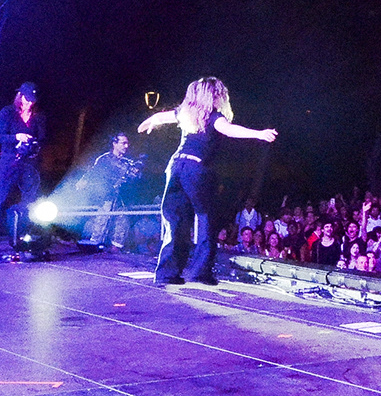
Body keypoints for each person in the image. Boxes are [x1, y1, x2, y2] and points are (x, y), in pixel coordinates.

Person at [138, 77, 277, 286]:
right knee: (206, 219)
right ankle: (199, 272)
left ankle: (167, 274)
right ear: (215, 96)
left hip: (175, 166)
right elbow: (229, 129)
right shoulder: (213, 116)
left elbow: (159, 117)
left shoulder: (185, 114)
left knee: (175, 220)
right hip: (195, 169)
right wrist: (258, 134)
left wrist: (147, 124)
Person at [0, 82, 45, 244]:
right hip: (10, 160)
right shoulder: (7, 113)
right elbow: (2, 137)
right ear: (20, 96)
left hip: (29, 162)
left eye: (32, 100)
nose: (29, 103)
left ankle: (24, 233)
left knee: (30, 198)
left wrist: (33, 143)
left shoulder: (38, 116)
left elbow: (42, 137)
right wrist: (17, 137)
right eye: (27, 99)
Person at [83, 132, 145, 248]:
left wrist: (137, 171)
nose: (126, 146)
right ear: (114, 144)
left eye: (127, 143)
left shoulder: (128, 162)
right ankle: (95, 245)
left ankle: (116, 247)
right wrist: (85, 182)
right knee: (102, 220)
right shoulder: (104, 159)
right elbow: (92, 173)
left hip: (122, 198)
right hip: (107, 197)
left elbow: (135, 179)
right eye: (123, 143)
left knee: (122, 223)